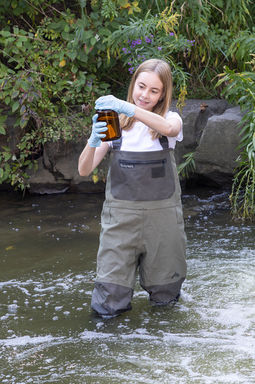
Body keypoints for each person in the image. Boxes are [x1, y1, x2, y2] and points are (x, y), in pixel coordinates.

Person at [78, 58, 187, 318]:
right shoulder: (114, 123)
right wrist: (93, 140)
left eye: (154, 90)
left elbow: (170, 128)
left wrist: (126, 107)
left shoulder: (170, 120)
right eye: (141, 86)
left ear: (163, 95)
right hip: (120, 225)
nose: (145, 95)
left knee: (166, 302)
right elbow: (84, 170)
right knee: (107, 305)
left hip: (162, 226)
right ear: (133, 85)